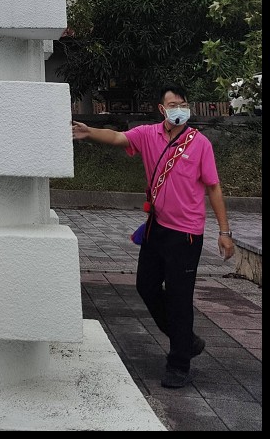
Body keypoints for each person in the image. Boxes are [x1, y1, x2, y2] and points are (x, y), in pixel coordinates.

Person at [71, 84, 235, 389]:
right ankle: (184, 339)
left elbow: (213, 187)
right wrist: (89, 132)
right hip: (156, 227)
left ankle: (179, 363)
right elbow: (119, 137)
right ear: (162, 109)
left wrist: (224, 232)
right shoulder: (149, 135)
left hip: (186, 234)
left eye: (183, 103)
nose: (179, 109)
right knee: (145, 286)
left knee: (178, 298)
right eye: (173, 104)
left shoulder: (199, 144)